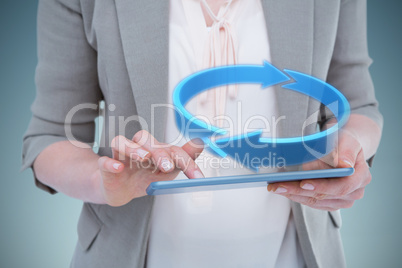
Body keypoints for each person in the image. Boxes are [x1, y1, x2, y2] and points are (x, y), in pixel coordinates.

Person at [22, 0, 382, 267]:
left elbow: (358, 106)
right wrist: (104, 181)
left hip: (293, 255)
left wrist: (349, 150)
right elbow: (50, 136)